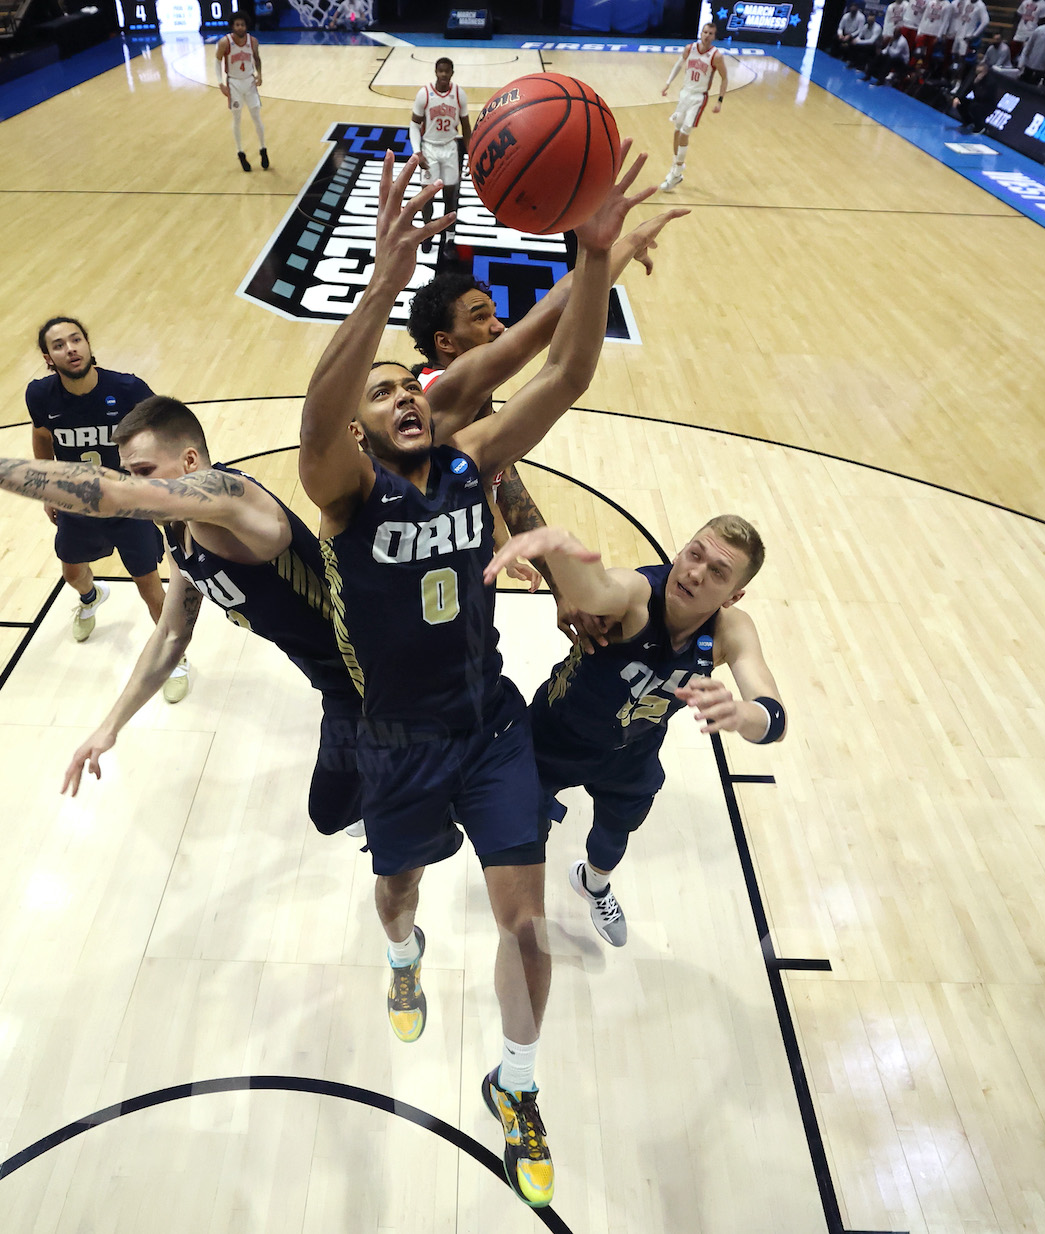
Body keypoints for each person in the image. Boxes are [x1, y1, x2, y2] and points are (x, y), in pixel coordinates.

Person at [297, 146, 684, 1210]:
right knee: (396, 895)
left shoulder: (470, 462)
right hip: (398, 741)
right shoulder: (343, 493)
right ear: (363, 429)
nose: (400, 397)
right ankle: (405, 953)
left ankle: (514, 1082)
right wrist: (380, 285)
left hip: (488, 725)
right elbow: (317, 422)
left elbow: (560, 373)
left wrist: (591, 261)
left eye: (407, 385)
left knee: (523, 922)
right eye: (380, 395)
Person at [0, 397, 368, 832]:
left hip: (374, 676)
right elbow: (171, 635)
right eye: (129, 473)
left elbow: (112, 495)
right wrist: (110, 726)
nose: (134, 484)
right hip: (339, 682)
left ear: (192, 462)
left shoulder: (228, 497)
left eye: (143, 472)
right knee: (336, 812)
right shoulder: (183, 532)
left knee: (340, 811)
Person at [482, 519, 785, 948]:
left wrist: (742, 714)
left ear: (734, 596)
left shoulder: (731, 630)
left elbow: (773, 715)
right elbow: (600, 590)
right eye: (694, 554)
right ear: (680, 552)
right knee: (519, 834)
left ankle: (593, 885)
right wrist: (561, 548)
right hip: (554, 734)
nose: (696, 572)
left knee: (614, 836)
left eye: (718, 572)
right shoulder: (641, 594)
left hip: (632, 750)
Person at [405, 247, 671, 647]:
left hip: (454, 578)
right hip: (408, 587)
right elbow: (556, 310)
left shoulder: (473, 412)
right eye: (480, 318)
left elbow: (506, 487)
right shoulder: (433, 400)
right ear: (445, 342)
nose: (498, 327)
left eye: (495, 314)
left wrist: (560, 588)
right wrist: (612, 246)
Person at [25, 317, 170, 646]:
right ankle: (91, 598)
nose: (70, 349)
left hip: (128, 505)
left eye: (76, 340)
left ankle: (173, 658)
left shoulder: (128, 390)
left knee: (149, 587)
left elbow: (164, 433)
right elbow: (42, 436)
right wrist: (48, 489)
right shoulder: (40, 395)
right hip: (78, 502)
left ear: (88, 345)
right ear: (48, 358)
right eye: (58, 345)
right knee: (72, 575)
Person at [658, 21, 726, 192]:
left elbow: (725, 78)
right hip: (684, 94)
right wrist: (668, 84)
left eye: (711, 33)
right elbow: (678, 65)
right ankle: (676, 169)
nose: (707, 36)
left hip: (698, 98)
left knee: (684, 133)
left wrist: (719, 101)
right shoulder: (690, 48)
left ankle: (677, 171)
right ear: (700, 33)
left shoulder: (716, 56)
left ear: (714, 36)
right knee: (676, 131)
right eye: (705, 32)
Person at [411, 57, 470, 242]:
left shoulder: (459, 94)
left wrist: (470, 154)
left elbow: (466, 127)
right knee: (427, 196)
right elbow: (414, 125)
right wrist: (417, 152)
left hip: (450, 147)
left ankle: (450, 236)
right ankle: (426, 235)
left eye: (447, 71)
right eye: (440, 71)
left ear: (452, 72)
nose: (443, 74)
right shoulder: (425, 94)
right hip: (430, 148)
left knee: (450, 195)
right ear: (435, 72)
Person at [215, 13, 267, 172]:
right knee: (237, 118)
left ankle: (263, 149)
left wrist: (260, 74)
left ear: (246, 26)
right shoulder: (225, 42)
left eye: (242, 25)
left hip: (249, 82)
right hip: (234, 83)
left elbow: (257, 59)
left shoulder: (253, 41)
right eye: (237, 25)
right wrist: (220, 83)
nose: (240, 27)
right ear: (232, 26)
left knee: (256, 116)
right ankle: (240, 152)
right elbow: (217, 61)